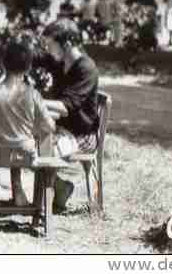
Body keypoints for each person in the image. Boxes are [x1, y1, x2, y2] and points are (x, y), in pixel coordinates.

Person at [0, 39, 57, 207]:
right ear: (28, 68)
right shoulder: (33, 94)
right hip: (25, 154)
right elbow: (50, 126)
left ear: (3, 64)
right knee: (18, 140)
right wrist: (32, 127)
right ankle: (17, 187)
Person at [42, 19, 100, 213]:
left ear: (66, 44)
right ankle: (60, 187)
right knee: (26, 144)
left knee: (43, 151)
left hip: (82, 135)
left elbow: (66, 107)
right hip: (62, 128)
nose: (47, 49)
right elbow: (34, 57)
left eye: (50, 44)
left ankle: (43, 207)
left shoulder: (86, 68)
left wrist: (33, 101)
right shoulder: (61, 61)